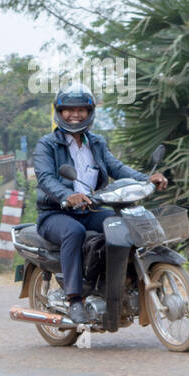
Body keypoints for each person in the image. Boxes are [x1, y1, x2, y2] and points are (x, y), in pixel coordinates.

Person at [32, 83, 168, 325]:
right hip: (55, 213)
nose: (75, 115)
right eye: (68, 110)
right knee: (74, 232)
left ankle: (111, 284)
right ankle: (74, 299)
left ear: (90, 112)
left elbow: (116, 167)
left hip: (90, 208)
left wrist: (146, 178)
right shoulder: (47, 144)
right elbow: (45, 178)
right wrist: (66, 195)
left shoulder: (96, 142)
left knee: (123, 226)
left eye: (81, 110)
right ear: (59, 112)